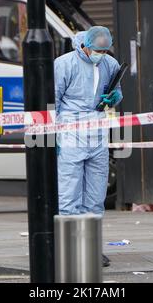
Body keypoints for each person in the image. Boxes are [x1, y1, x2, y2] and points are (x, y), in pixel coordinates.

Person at [55, 26, 123, 266]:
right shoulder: (64, 64)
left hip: (97, 133)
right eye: (97, 50)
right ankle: (71, 249)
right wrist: (53, 136)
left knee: (95, 196)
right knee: (69, 194)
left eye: (105, 50)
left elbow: (117, 92)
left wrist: (114, 98)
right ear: (85, 45)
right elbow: (54, 100)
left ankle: (91, 248)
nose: (101, 54)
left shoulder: (109, 64)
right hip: (71, 133)